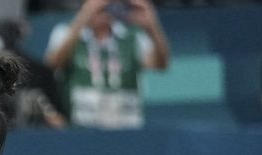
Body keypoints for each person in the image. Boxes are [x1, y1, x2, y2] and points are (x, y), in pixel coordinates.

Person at [44, 0, 170, 130]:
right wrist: (82, 19)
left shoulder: (131, 36)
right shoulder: (67, 32)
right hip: (81, 127)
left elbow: (160, 64)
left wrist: (152, 27)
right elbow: (53, 64)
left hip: (126, 126)